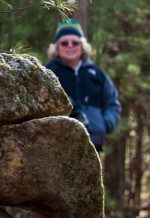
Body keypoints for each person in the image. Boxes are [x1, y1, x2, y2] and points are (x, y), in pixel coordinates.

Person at [45, 19, 120, 152]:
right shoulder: (48, 71)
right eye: (64, 43)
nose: (70, 46)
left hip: (94, 143)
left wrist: (105, 124)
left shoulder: (96, 73)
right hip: (58, 145)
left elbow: (112, 102)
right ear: (57, 47)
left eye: (75, 42)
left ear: (82, 46)